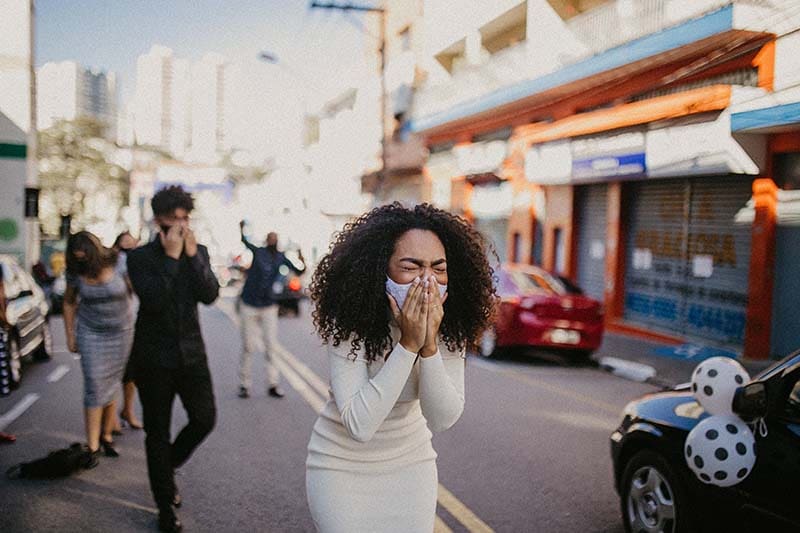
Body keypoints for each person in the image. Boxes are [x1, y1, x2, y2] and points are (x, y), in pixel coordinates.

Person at [305, 203, 497, 532]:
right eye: (411, 266)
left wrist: (430, 344)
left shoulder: (447, 325)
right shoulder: (351, 320)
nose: (427, 281)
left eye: (439, 268)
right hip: (340, 466)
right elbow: (359, 425)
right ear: (380, 268)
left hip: (411, 465)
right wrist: (408, 345)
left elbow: (442, 418)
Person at [126, 186, 219, 533]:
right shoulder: (140, 258)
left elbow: (210, 295)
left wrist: (192, 257)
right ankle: (165, 505)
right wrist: (169, 257)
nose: (180, 227)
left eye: (185, 219)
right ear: (157, 222)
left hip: (192, 355)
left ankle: (167, 467)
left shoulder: (200, 252)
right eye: (172, 221)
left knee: (204, 419)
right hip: (154, 358)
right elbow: (152, 301)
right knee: (157, 434)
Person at [63, 231, 134, 468]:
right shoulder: (75, 272)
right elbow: (69, 302)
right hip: (90, 332)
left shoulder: (119, 262)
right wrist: (70, 335)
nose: (81, 261)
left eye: (84, 257)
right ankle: (92, 446)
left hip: (121, 332)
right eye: (77, 258)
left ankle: (106, 435)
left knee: (113, 381)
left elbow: (136, 290)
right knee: (94, 382)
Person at [237, 221, 305, 399]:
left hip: (268, 306)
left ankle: (273, 383)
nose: (273, 241)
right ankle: (244, 384)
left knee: (271, 345)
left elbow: (299, 270)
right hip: (249, 303)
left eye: (275, 238)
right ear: (267, 241)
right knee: (248, 346)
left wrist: (301, 254)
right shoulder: (258, 252)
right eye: (270, 238)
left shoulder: (281, 257)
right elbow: (244, 240)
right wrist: (242, 227)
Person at [111, 231, 143, 432]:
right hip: (112, 322)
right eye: (124, 241)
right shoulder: (112, 261)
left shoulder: (139, 260)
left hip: (131, 320)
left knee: (131, 372)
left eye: (131, 242)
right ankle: (110, 418)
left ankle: (127, 410)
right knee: (113, 372)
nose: (128, 245)